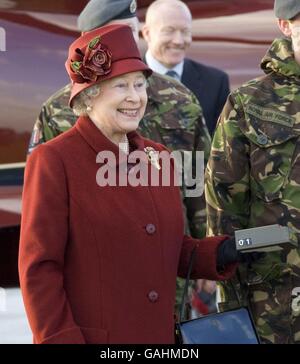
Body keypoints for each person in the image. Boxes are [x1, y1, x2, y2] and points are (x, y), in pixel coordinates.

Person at [19, 24, 238, 344]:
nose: (135, 98)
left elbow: (165, 247)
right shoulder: (54, 161)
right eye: (121, 86)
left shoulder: (158, 156)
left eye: (140, 85)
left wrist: (220, 252)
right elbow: (40, 269)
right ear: (90, 96)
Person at [205, 0, 300, 344]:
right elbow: (224, 207)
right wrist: (230, 302)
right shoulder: (248, 103)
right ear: (285, 25)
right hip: (275, 304)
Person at [142, 0, 230, 136]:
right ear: (147, 33)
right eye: (169, 31)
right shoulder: (126, 79)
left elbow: (221, 146)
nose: (178, 40)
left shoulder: (216, 82)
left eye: (185, 31)